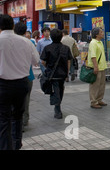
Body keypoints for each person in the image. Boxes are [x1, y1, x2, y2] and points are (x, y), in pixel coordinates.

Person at [0, 14, 39, 150]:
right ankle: (17, 144)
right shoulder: (26, 41)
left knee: (4, 118)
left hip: (3, 85)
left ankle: (6, 146)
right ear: (13, 26)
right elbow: (36, 61)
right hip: (22, 83)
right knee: (18, 116)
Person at [40, 29, 73, 119]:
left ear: (51, 36)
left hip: (52, 74)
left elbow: (43, 61)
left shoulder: (47, 48)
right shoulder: (66, 48)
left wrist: (48, 67)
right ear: (61, 37)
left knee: (56, 90)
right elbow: (68, 62)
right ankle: (57, 107)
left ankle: (57, 108)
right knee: (60, 89)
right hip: (62, 74)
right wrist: (67, 73)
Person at [13, 22, 36, 129]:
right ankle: (24, 120)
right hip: (27, 75)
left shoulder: (7, 41)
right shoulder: (29, 42)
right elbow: (36, 60)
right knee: (25, 100)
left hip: (11, 76)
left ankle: (15, 122)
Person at [87, 27, 107, 109]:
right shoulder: (93, 43)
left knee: (102, 85)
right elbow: (93, 56)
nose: (103, 33)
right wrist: (95, 67)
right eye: (101, 32)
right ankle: (93, 102)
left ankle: (99, 99)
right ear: (97, 34)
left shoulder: (100, 42)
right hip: (96, 68)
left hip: (102, 67)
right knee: (94, 85)